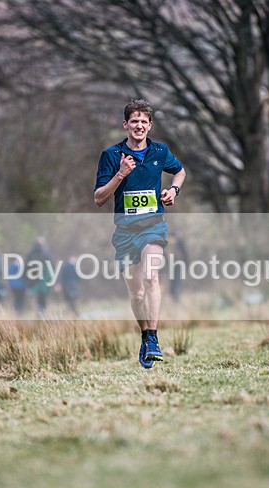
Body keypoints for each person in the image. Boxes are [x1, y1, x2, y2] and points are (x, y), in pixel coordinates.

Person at [94, 99, 186, 369]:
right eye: (134, 121)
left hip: (153, 226)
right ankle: (145, 336)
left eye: (144, 122)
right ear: (125, 124)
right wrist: (120, 174)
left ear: (150, 125)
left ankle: (154, 338)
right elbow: (99, 198)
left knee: (151, 275)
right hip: (124, 232)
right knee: (136, 295)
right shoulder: (111, 156)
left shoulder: (160, 151)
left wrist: (173, 190)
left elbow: (179, 171)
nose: (139, 126)